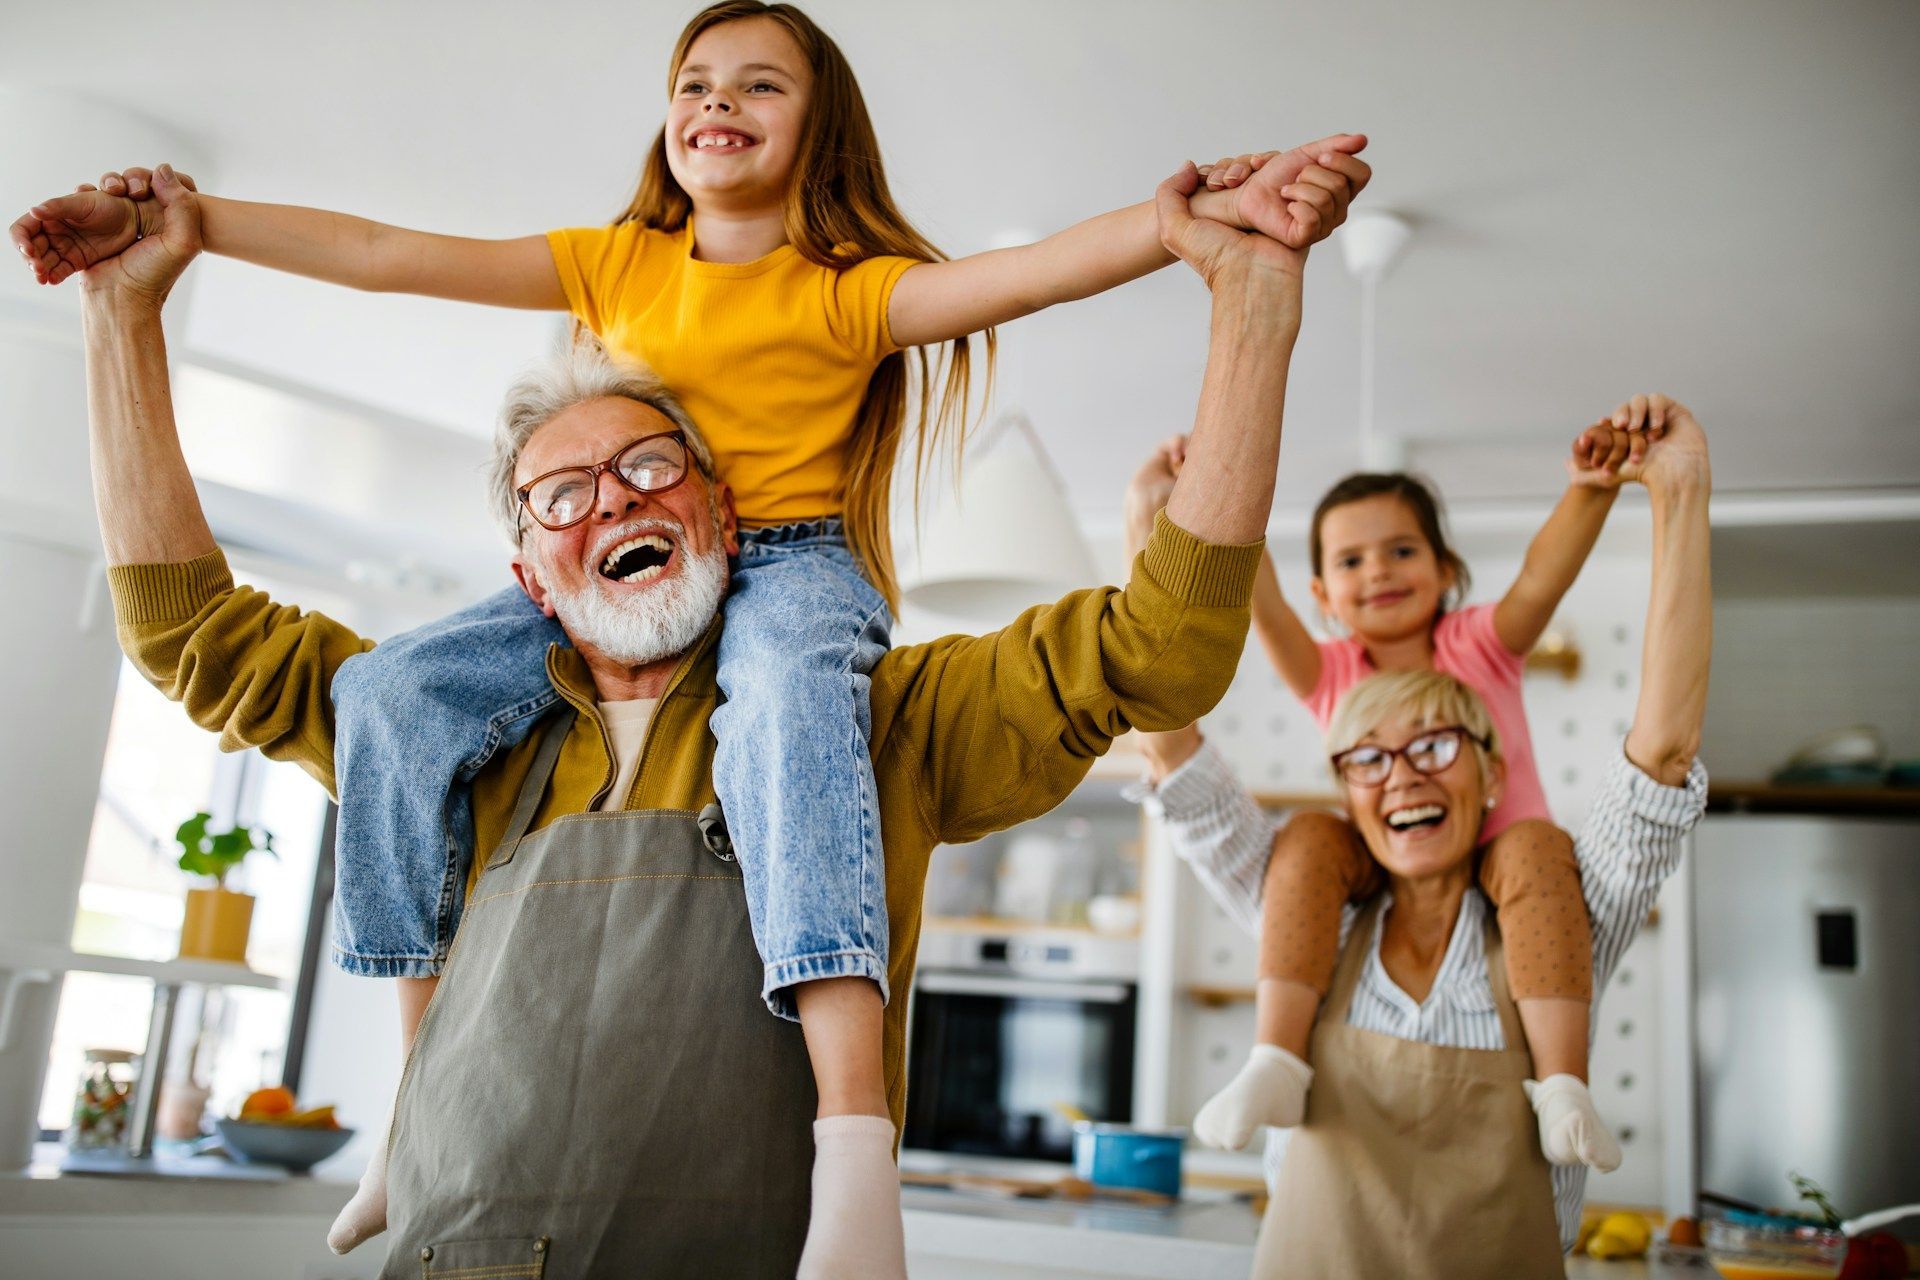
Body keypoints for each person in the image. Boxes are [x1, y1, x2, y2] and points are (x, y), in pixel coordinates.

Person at [11, 3, 1366, 1258]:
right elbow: (377, 266)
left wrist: (1205, 252)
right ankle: (403, 1107)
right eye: (562, 490)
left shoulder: (873, 697)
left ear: (715, 490)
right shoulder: (603, 303)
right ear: (529, 566)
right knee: (384, 696)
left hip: (799, 619)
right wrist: (172, 254)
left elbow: (1038, 316)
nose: (613, 499)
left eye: (654, 463)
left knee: (785, 706)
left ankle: (854, 1143)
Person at [1127, 396, 1713, 1276]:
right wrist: (1158, 523)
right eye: (1367, 756)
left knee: (1534, 852)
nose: (1400, 774)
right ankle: (1273, 1061)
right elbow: (1171, 742)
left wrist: (1671, 494)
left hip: (1524, 879)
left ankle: (1562, 1084)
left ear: (1490, 769)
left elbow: (1660, 749)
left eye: (1436, 745)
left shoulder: (1558, 923)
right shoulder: (1307, 908)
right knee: (1307, 842)